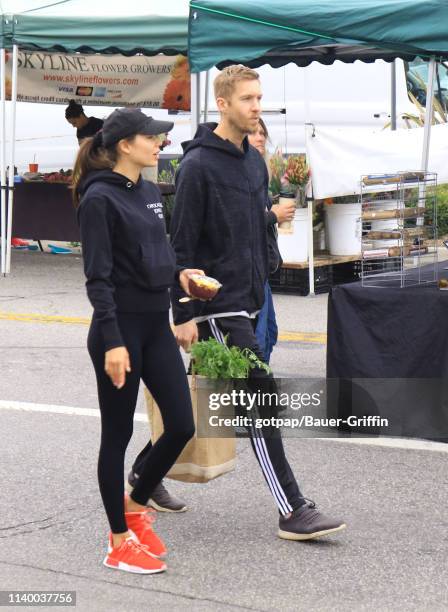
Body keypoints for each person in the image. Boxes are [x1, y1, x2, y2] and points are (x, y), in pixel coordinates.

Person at [170, 65, 346, 541]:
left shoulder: (253, 162)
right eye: (248, 99)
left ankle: (142, 477)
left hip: (250, 298)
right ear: (222, 104)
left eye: (259, 97)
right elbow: (181, 246)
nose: (257, 107)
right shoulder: (197, 167)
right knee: (261, 395)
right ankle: (292, 508)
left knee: (192, 409)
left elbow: (256, 225)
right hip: (215, 305)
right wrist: (183, 312)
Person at [75, 108, 199, 573]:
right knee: (119, 434)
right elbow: (98, 279)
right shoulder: (98, 200)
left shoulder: (147, 191)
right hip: (119, 331)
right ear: (126, 144)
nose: (159, 144)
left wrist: (181, 276)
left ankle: (136, 502)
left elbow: (159, 256)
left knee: (183, 426)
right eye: (152, 137)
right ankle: (118, 540)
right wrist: (111, 341)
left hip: (154, 325)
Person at [248, 118, 295, 364]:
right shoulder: (240, 171)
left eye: (262, 133)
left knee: (269, 333)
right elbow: (241, 221)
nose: (260, 138)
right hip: (249, 270)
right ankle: (255, 395)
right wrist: (273, 216)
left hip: (263, 267)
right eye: (254, 133)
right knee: (259, 339)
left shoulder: (260, 169)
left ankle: (257, 389)